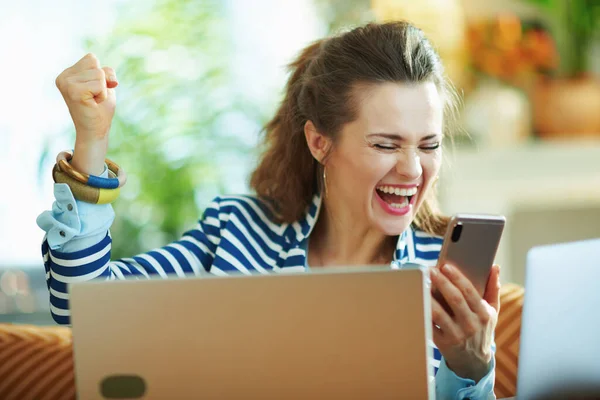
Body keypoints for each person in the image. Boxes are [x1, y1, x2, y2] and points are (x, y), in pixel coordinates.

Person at [37, 21, 500, 399]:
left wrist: (470, 370)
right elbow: (85, 306)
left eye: (429, 145)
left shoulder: (447, 273)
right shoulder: (236, 231)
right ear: (321, 143)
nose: (412, 169)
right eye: (385, 144)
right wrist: (92, 140)